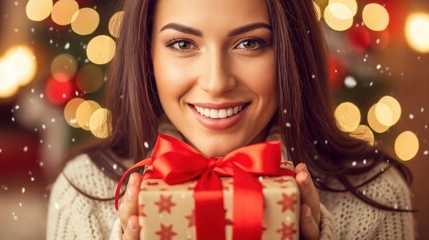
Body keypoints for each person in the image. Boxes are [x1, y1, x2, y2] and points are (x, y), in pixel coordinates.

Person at [46, 0, 415, 239]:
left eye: (249, 43)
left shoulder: (374, 193)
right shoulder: (83, 193)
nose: (216, 82)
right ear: (147, 55)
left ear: (290, 51)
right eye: (182, 44)